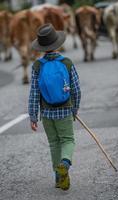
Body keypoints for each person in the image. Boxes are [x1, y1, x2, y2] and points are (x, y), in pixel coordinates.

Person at [28, 23, 81, 190]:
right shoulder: (67, 63)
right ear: (58, 43)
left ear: (42, 47)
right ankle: (65, 163)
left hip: (47, 113)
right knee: (68, 140)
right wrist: (74, 108)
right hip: (65, 109)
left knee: (54, 143)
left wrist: (33, 116)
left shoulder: (37, 66)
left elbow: (34, 93)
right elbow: (76, 89)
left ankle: (59, 178)